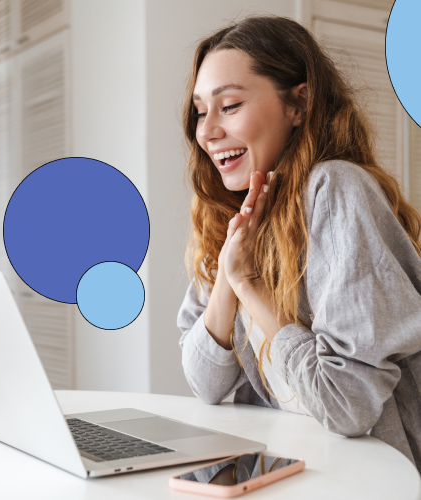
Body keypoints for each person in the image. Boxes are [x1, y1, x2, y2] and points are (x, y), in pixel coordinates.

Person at [177, 14, 421, 474]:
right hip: (287, 467)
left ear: (299, 104)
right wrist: (228, 279)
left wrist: (248, 283)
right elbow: (204, 384)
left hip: (368, 478)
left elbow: (347, 406)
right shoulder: (229, 213)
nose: (206, 132)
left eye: (228, 106)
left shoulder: (336, 190)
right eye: (200, 111)